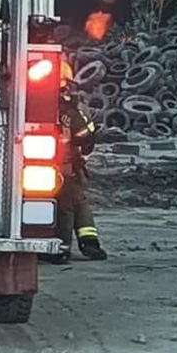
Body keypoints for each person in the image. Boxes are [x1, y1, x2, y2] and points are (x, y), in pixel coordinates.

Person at [50, 60, 108, 263]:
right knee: (77, 201)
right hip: (66, 165)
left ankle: (62, 248)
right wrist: (82, 157)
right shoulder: (71, 107)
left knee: (67, 203)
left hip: (58, 166)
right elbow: (87, 136)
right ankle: (88, 243)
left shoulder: (48, 105)